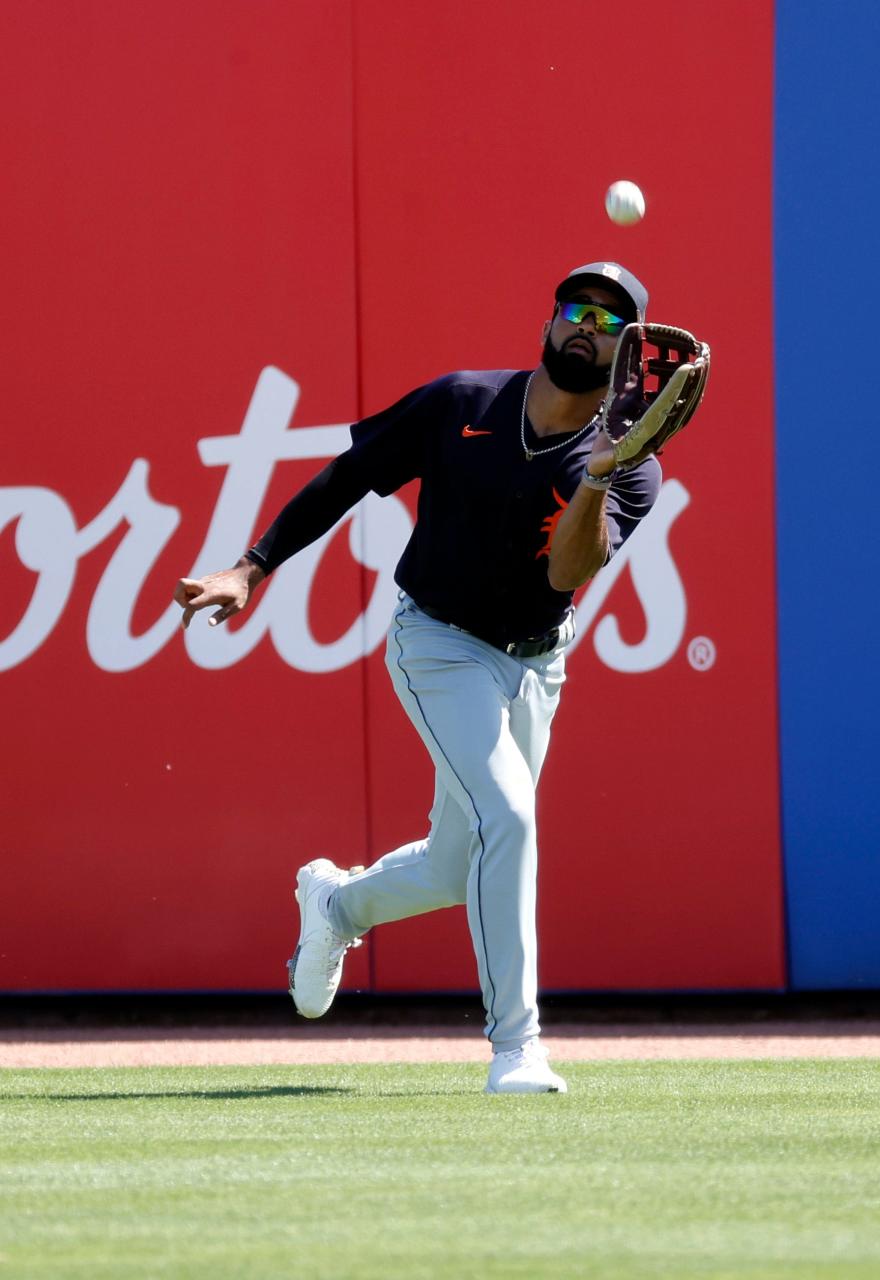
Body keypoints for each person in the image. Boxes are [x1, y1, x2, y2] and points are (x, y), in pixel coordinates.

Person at [174, 262, 662, 1094]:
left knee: (454, 862)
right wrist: (252, 567)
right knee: (508, 815)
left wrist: (600, 471)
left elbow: (564, 573)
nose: (589, 325)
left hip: (537, 660)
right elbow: (348, 476)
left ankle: (335, 908)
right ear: (547, 324)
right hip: (436, 642)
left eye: (612, 322)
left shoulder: (631, 470)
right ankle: (518, 1047)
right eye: (577, 309)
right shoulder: (461, 403)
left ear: (631, 357)